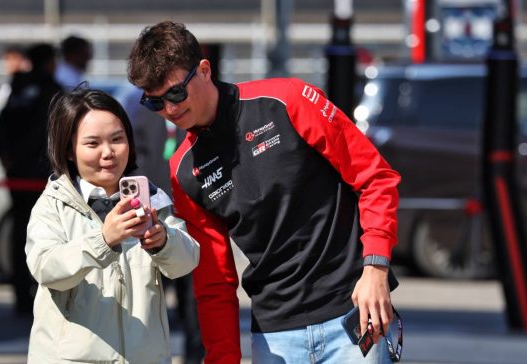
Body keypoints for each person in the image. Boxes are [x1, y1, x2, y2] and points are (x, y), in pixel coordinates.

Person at [127, 21, 401, 363]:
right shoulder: (183, 169)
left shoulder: (286, 100)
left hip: (352, 315)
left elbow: (375, 178)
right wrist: (222, 356)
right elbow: (214, 282)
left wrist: (375, 267)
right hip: (275, 337)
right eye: (155, 104)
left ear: (204, 70)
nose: (169, 109)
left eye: (175, 94)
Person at [24, 88, 200, 363]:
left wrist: (164, 241)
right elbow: (46, 269)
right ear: (69, 150)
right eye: (93, 144)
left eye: (117, 139)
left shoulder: (152, 200)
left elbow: (186, 263)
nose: (108, 153)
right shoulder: (53, 204)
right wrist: (103, 240)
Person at [119, 85, 205, 364]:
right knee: (149, 292)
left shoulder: (190, 112)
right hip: (151, 209)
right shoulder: (138, 110)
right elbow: (133, 161)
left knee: (192, 295)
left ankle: (195, 355)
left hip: (189, 211)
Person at [0, 43, 63, 316]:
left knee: (20, 234)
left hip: (18, 174)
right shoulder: (49, 89)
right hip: (39, 176)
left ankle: (22, 295)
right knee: (46, 232)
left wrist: (8, 159)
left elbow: (1, 128)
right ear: (48, 62)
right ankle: (36, 293)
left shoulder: (18, 87)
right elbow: (48, 132)